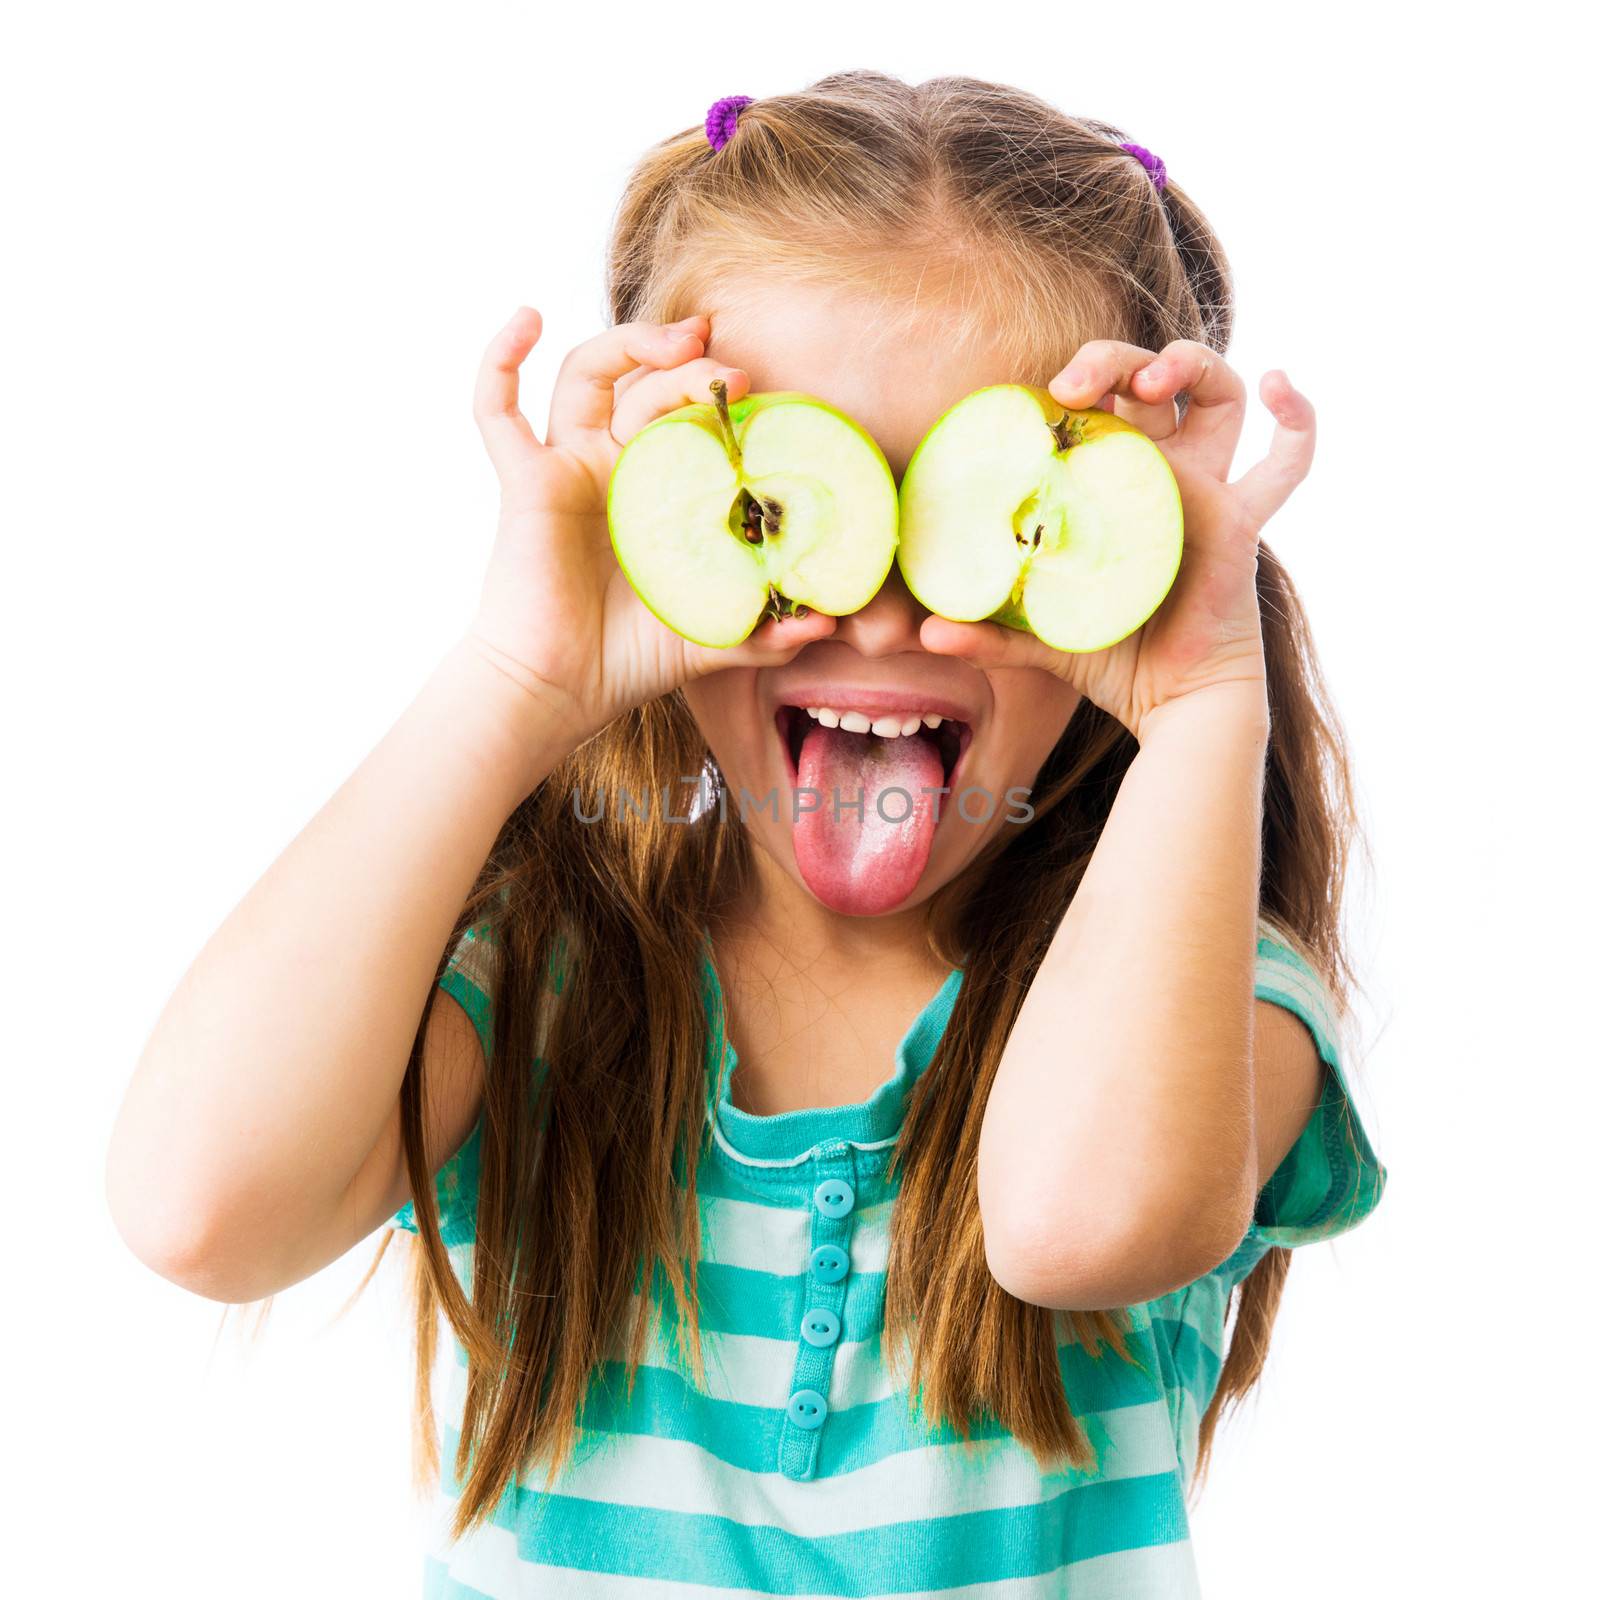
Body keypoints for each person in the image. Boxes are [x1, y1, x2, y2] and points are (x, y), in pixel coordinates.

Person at [108, 70, 1387, 1597]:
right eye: (793, 505)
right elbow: (197, 1210)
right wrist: (520, 677)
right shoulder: (548, 969)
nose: (886, 610)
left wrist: (1198, 704)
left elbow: (1073, 1226)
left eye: (975, 525)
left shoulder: (1205, 990)